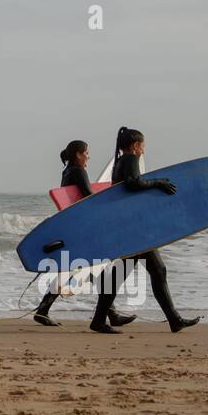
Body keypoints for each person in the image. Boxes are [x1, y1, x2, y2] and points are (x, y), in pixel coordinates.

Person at [89, 127, 201, 335]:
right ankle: (99, 320)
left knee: (155, 271)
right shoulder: (130, 159)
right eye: (143, 145)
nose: (144, 149)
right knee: (132, 273)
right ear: (135, 145)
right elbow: (133, 183)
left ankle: (174, 320)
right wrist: (158, 183)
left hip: (131, 226)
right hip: (135, 229)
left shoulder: (120, 162)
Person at [33, 140, 136, 328]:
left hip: (74, 226)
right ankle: (43, 310)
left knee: (92, 270)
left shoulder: (67, 172)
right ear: (79, 154)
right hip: (82, 229)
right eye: (87, 152)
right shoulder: (78, 171)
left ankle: (110, 314)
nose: (89, 156)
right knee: (90, 270)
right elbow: (91, 198)